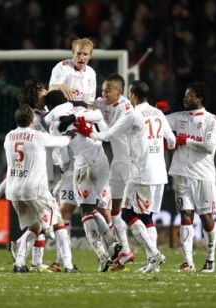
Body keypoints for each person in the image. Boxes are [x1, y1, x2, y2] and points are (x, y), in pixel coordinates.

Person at [75, 80, 176, 273]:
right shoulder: (159, 113)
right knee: (147, 217)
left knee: (128, 214)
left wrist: (88, 132)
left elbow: (108, 135)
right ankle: (152, 262)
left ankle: (154, 255)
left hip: (140, 172)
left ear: (132, 94)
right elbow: (171, 142)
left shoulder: (133, 114)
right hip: (160, 172)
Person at [44, 90, 121, 272]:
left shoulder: (55, 123)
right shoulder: (80, 110)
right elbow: (100, 121)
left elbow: (62, 157)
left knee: (85, 210)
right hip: (103, 161)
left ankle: (102, 255)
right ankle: (112, 241)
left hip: (84, 165)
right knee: (93, 207)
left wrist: (61, 162)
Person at [0, 79, 52, 272]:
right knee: (47, 220)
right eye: (43, 89)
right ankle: (48, 260)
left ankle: (35, 260)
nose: (47, 91)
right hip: (39, 172)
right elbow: (52, 139)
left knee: (38, 222)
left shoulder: (32, 115)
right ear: (35, 94)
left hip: (27, 174)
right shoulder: (35, 118)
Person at [3, 106, 76, 273]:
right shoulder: (37, 136)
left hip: (14, 190)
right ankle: (68, 265)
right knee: (59, 224)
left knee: (35, 227)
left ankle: (20, 263)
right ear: (31, 120)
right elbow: (61, 141)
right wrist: (69, 136)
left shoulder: (8, 137)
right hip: (35, 189)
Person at [166, 82, 216, 273]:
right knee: (185, 215)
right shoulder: (179, 117)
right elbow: (159, 125)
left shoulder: (212, 120)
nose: (185, 98)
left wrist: (185, 140)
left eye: (189, 95)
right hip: (181, 174)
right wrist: (158, 113)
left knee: (206, 217)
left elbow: (209, 147)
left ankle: (210, 258)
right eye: (185, 95)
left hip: (203, 176)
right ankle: (188, 262)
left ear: (200, 99)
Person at [92, 74, 134, 270]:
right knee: (115, 212)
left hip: (131, 165)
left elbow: (108, 135)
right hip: (118, 164)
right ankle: (125, 251)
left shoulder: (126, 109)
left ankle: (150, 255)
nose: (104, 93)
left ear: (120, 91)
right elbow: (90, 105)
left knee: (134, 215)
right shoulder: (102, 102)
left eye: (108, 89)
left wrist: (90, 131)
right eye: (102, 89)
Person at [49, 37, 97, 102]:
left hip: (81, 108)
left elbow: (90, 101)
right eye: (79, 53)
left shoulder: (91, 73)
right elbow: (50, 89)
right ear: (73, 53)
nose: (81, 57)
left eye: (85, 54)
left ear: (90, 56)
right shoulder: (62, 67)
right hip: (61, 105)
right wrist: (60, 87)